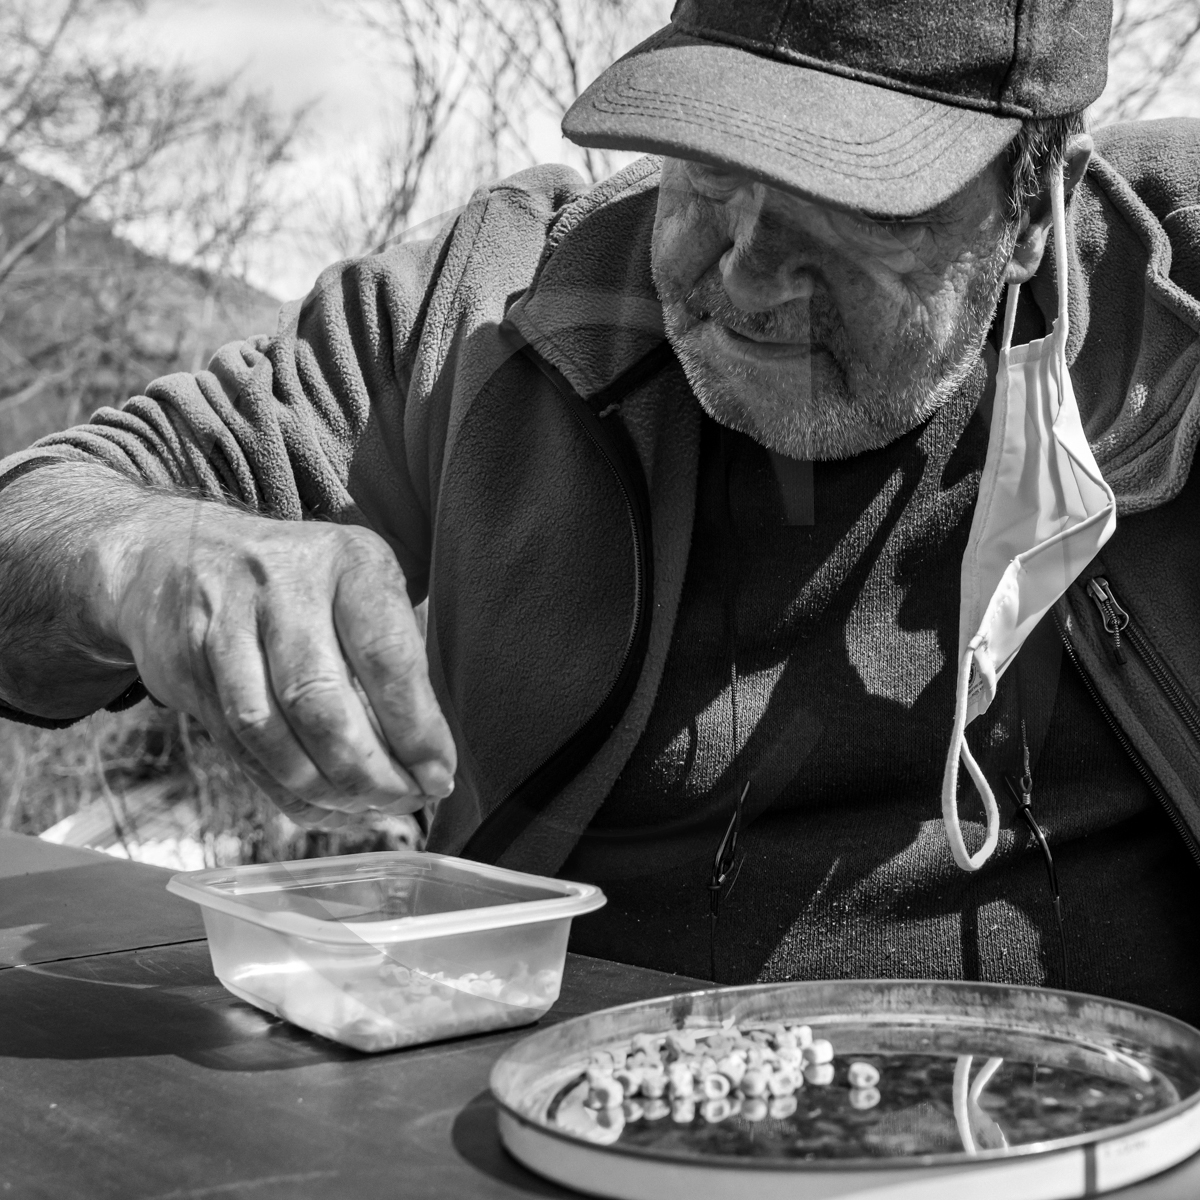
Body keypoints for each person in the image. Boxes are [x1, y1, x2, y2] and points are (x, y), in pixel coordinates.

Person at [2, 0, 1200, 1017]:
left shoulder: (1176, 301)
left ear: (1035, 203)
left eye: (857, 203)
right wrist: (149, 559)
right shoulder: (494, 306)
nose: (746, 277)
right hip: (526, 1128)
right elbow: (42, 519)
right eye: (710, 168)